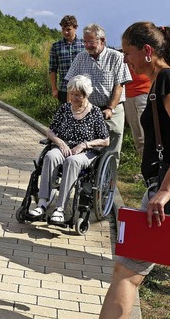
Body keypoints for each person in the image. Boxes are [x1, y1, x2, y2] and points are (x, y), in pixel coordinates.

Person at [93, 22, 170, 319]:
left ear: (147, 51)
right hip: (169, 192)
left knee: (132, 271)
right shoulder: (162, 79)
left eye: (128, 53)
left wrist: (163, 192)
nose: (126, 60)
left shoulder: (168, 80)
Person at [28, 75, 109, 223]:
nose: (73, 97)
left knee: (72, 161)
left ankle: (60, 209)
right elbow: (50, 131)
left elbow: (105, 140)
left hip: (85, 152)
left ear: (86, 95)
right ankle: (42, 203)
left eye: (77, 95)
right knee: (50, 156)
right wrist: (60, 142)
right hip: (64, 147)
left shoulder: (95, 112)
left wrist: (84, 144)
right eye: (71, 94)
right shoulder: (65, 108)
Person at [64, 23, 131, 163]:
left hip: (111, 108)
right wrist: (69, 108)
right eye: (85, 42)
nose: (87, 45)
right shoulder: (81, 57)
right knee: (86, 147)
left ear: (102, 40)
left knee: (111, 148)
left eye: (91, 42)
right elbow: (71, 84)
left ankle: (110, 182)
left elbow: (119, 86)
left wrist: (110, 108)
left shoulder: (116, 57)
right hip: (87, 109)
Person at [49, 15, 85, 103]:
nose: (65, 32)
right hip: (64, 90)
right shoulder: (56, 46)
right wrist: (54, 89)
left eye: (68, 29)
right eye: (63, 29)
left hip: (82, 89)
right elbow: (52, 69)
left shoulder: (84, 45)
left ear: (75, 27)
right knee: (66, 116)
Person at [124, 68, 151, 158]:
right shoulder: (122, 55)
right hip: (128, 94)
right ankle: (144, 162)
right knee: (137, 134)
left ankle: (153, 162)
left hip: (144, 91)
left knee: (147, 132)